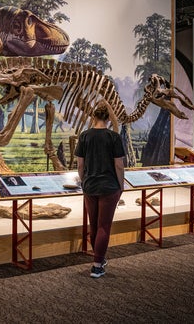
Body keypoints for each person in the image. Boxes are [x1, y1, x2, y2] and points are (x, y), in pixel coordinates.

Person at [75, 101, 125, 278]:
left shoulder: (84, 136)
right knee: (104, 225)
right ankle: (97, 265)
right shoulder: (114, 137)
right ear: (109, 119)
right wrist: (121, 185)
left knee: (94, 224)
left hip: (90, 186)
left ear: (93, 117)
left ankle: (98, 258)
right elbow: (119, 165)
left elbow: (80, 165)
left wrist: (84, 181)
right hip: (109, 187)